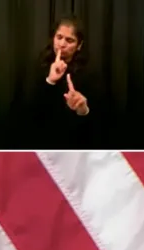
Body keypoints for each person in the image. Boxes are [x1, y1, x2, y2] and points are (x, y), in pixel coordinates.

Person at [28, 15, 96, 149]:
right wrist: (50, 81)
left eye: (69, 40)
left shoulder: (89, 72)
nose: (62, 44)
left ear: (79, 45)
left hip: (74, 143)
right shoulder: (39, 65)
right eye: (59, 37)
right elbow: (30, 112)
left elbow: (98, 124)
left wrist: (83, 110)